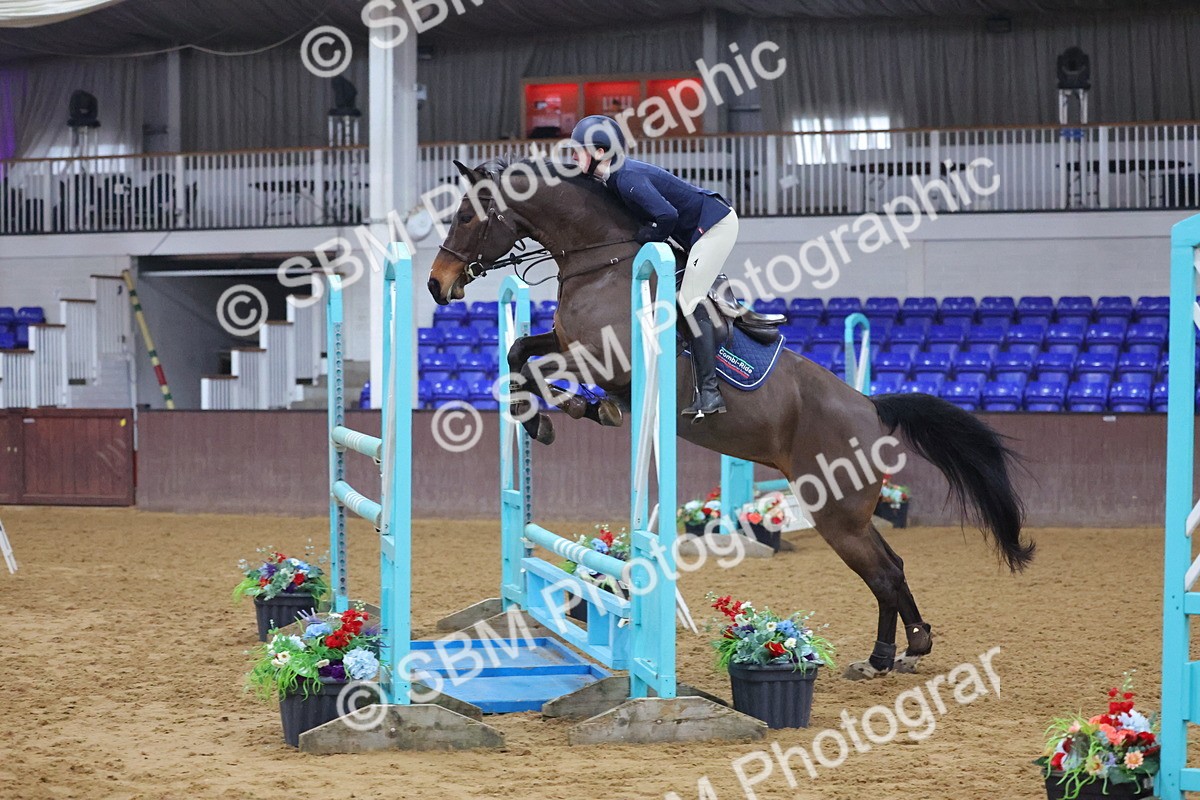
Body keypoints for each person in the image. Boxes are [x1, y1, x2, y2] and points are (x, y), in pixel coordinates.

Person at [567, 115, 739, 420]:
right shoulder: (613, 179)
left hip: (715, 226)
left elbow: (667, 216)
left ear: (600, 153)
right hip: (692, 231)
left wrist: (643, 238)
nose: (572, 155)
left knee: (689, 300)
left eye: (578, 149)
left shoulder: (626, 178)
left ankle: (710, 392)